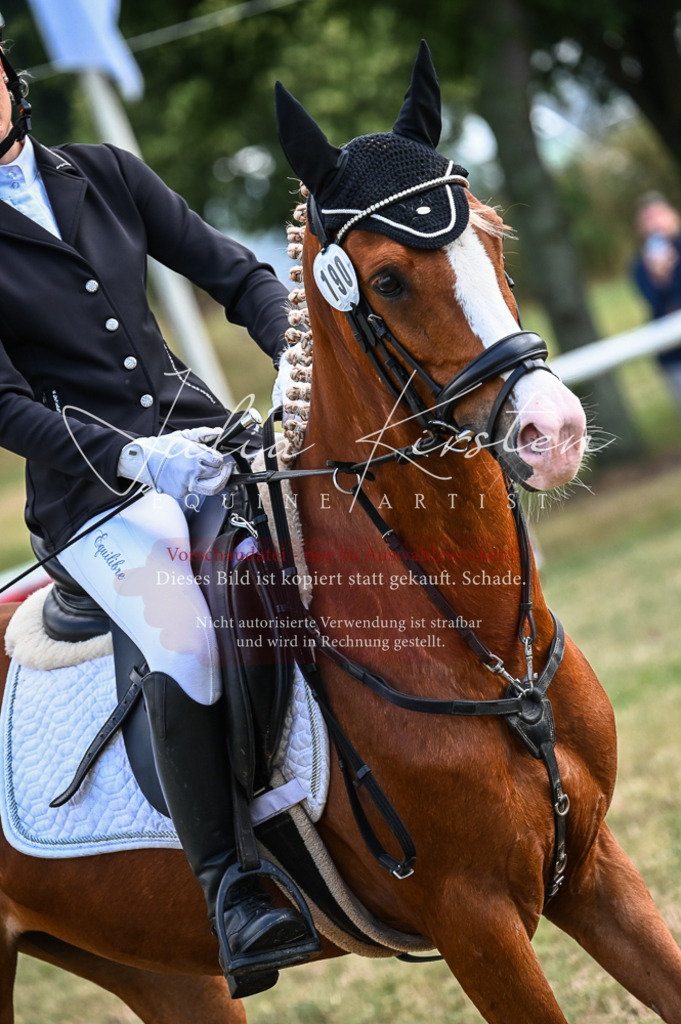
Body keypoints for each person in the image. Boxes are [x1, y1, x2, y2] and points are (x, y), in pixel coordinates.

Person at [0, 17, 309, 993]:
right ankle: (232, 886)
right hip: (91, 500)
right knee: (181, 629)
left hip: (207, 441)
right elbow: (4, 404)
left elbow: (238, 273)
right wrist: (131, 456)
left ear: (9, 78)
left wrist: (295, 352)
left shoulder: (104, 171)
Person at [632, 191, 681, 412]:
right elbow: (657, 304)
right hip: (674, 356)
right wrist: (660, 279)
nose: (655, 224)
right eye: (648, 219)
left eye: (659, 215)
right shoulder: (640, 267)